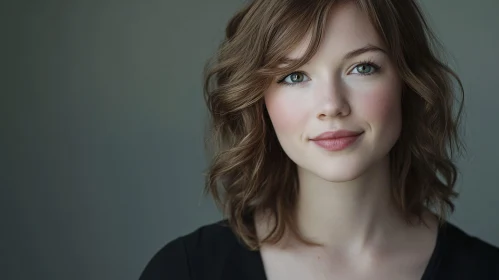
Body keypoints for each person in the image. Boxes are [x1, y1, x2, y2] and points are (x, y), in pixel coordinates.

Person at [140, 0, 499, 279]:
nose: (332, 106)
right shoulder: (185, 271)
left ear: (408, 83)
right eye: (295, 76)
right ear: (260, 100)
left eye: (362, 67)